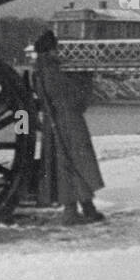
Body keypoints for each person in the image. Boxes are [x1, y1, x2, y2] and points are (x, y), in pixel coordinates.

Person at [32, 30, 106, 224]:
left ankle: (87, 208)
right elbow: (73, 98)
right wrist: (85, 79)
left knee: (68, 165)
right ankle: (72, 211)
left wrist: (24, 128)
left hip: (54, 123)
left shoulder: (40, 71)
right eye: (56, 49)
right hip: (69, 123)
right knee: (74, 164)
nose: (59, 53)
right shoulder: (53, 72)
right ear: (50, 51)